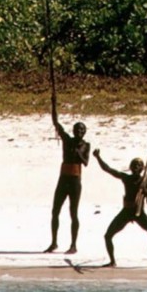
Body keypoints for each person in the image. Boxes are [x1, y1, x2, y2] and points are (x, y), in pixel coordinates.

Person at [94, 149, 147, 268]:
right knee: (108, 236)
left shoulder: (145, 182)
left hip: (139, 213)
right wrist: (98, 157)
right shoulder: (126, 178)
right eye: (134, 166)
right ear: (130, 168)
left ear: (142, 169)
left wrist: (145, 191)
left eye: (138, 166)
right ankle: (112, 261)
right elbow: (108, 169)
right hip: (126, 212)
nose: (136, 168)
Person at [44, 108, 90, 254]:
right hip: (63, 179)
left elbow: (86, 162)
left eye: (82, 130)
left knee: (73, 213)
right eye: (77, 129)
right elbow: (56, 122)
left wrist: (78, 153)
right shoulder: (67, 140)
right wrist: (53, 104)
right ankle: (54, 243)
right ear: (73, 130)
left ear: (84, 132)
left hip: (75, 180)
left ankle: (73, 245)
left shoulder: (85, 145)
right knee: (55, 211)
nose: (79, 131)